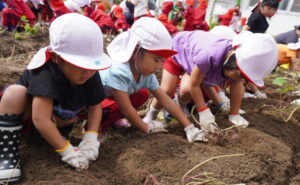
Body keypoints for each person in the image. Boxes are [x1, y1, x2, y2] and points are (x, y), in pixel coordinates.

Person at [0, 13, 112, 184]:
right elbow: (40, 119)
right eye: (81, 65)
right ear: (56, 58)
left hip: (60, 122)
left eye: (91, 66)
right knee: (14, 94)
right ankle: (6, 151)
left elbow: (95, 106)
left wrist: (90, 138)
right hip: (29, 120)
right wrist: (67, 151)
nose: (88, 72)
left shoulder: (89, 73)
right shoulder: (45, 71)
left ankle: (51, 139)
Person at [99, 17, 207, 143]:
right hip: (92, 104)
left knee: (142, 95)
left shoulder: (146, 74)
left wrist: (189, 127)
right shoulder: (119, 72)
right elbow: (126, 109)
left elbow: (167, 101)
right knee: (115, 105)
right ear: (136, 51)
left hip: (113, 99)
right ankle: (98, 129)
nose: (159, 66)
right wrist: (146, 127)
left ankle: (113, 119)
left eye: (162, 61)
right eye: (156, 60)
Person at [148, 30, 278, 132]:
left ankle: (180, 106)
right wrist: (203, 111)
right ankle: (150, 116)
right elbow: (195, 84)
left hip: (196, 60)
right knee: (167, 90)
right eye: (240, 74)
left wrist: (234, 114)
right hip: (179, 51)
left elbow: (237, 85)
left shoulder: (237, 63)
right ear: (232, 60)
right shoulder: (209, 54)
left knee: (187, 90)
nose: (240, 79)